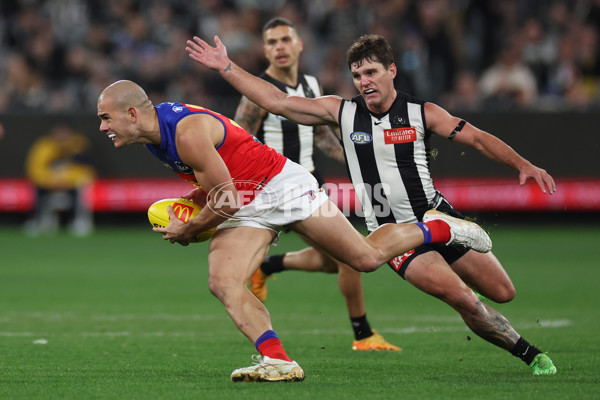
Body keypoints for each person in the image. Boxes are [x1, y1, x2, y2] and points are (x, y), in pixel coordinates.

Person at [185, 33, 557, 375]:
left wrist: (522, 164)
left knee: (503, 293)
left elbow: (474, 137)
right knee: (462, 298)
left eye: (372, 72)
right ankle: (530, 354)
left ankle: (448, 231)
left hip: (436, 213)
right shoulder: (342, 112)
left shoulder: (421, 113)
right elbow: (277, 101)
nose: (364, 81)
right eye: (358, 75)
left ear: (392, 71)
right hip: (390, 235)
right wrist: (227, 67)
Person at [97, 79, 490, 382]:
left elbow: (227, 198)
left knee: (365, 259)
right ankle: (278, 361)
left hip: (282, 186)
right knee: (223, 281)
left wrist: (191, 228)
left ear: (132, 114)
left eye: (105, 118)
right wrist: (197, 205)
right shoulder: (154, 136)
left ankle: (438, 227)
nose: (102, 127)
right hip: (248, 200)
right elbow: (220, 188)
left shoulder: (185, 132)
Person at [235, 17, 399, 352]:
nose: (279, 47)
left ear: (299, 45)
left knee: (331, 261)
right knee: (352, 256)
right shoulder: (258, 94)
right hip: (276, 189)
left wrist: (359, 164)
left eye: (285, 39)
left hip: (310, 183)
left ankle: (268, 266)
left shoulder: (310, 84)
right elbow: (235, 140)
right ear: (264, 50)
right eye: (271, 42)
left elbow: (322, 136)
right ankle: (363, 335)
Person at [24, 123, 95, 236]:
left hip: (70, 184)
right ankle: (36, 221)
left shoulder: (78, 146)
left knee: (79, 192)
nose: (61, 136)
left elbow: (85, 170)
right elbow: (36, 170)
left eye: (64, 133)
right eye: (58, 133)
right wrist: (51, 182)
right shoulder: (44, 147)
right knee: (37, 191)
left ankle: (77, 222)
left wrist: (66, 181)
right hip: (49, 184)